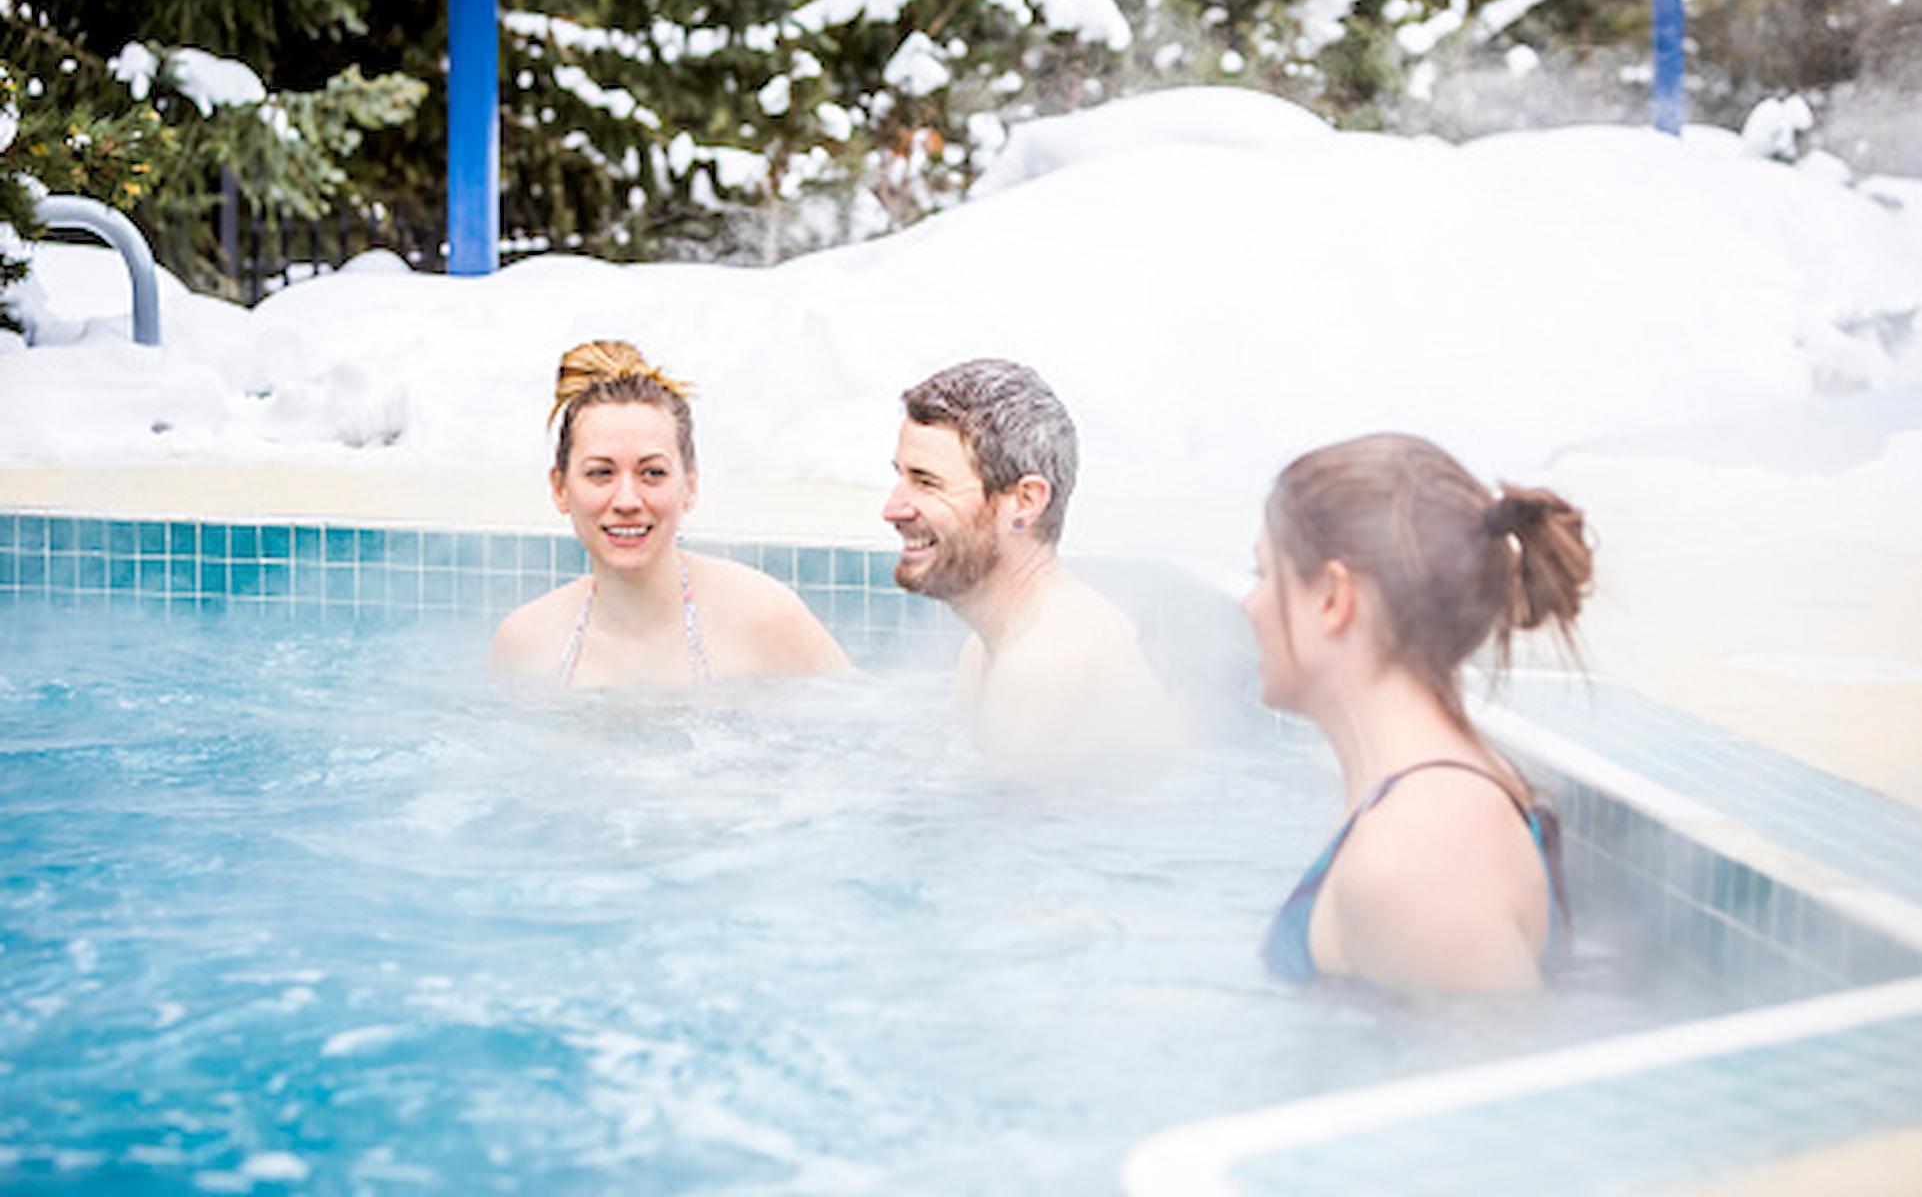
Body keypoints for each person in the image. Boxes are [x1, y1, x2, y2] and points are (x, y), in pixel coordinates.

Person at [1245, 432, 1588, 994]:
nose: (1249, 605)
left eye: (1264, 575)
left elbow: (1503, 1072)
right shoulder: (1427, 805)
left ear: (1333, 598)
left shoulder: (1417, 858)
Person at [491, 340, 850, 686]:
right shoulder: (525, 643)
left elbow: (862, 735)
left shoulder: (766, 619)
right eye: (601, 473)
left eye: (653, 473)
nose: (627, 501)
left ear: (689, 486)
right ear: (560, 488)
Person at [882, 357, 1180, 765]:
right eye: (900, 476)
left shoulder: (1045, 667)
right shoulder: (988, 646)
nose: (893, 508)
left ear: (1024, 502)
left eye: (927, 483)